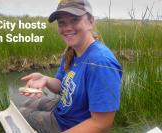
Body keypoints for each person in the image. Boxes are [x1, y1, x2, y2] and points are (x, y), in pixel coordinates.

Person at [20, 0, 122, 133]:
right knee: (24, 104)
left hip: (69, 125)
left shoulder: (100, 62)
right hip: (63, 109)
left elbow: (101, 123)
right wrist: (45, 79)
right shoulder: (72, 50)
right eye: (62, 22)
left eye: (74, 20)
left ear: (90, 21)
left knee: (21, 113)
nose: (67, 28)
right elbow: (62, 86)